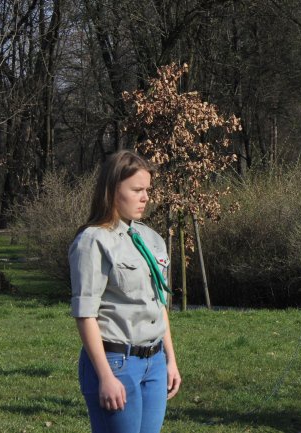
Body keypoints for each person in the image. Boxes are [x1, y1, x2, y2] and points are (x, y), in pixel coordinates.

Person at [69, 150, 181, 433]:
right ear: (112, 190)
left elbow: (159, 305)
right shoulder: (93, 241)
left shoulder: (151, 239)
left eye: (147, 190)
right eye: (136, 190)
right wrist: (105, 376)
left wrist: (170, 360)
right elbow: (85, 315)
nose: (145, 197)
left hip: (154, 363)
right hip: (117, 363)